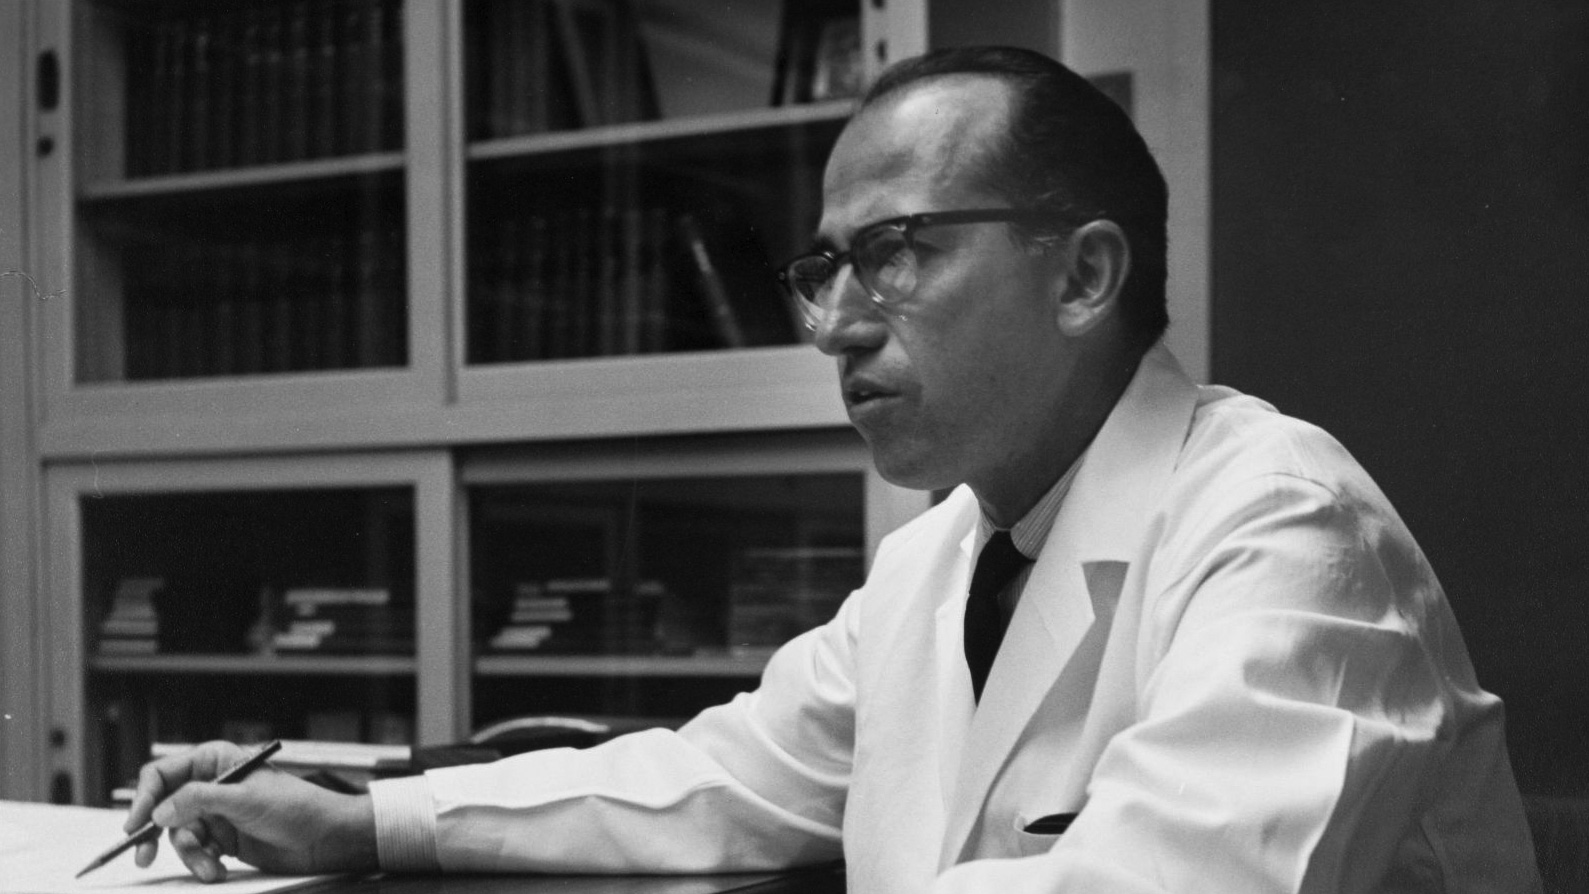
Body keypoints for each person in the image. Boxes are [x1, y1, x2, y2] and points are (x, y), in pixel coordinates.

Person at [126, 46, 1542, 892]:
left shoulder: (1284, 527)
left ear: (1082, 274)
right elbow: (719, 776)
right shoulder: (939, 555)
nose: (833, 321)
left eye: (896, 252)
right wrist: (365, 818)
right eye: (824, 268)